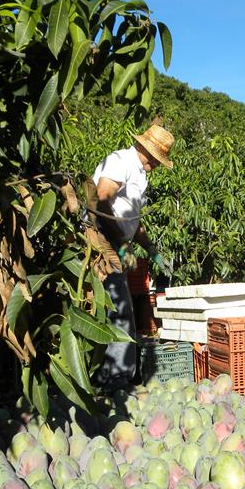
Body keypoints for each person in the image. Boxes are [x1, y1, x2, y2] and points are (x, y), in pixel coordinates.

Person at [91, 121, 175, 391]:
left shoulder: (140, 175)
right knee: (120, 308)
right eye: (157, 159)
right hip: (101, 238)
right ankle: (116, 378)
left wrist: (151, 248)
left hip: (117, 242)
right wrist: (119, 243)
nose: (158, 164)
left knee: (116, 306)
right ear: (146, 150)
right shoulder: (121, 161)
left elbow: (134, 220)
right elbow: (101, 199)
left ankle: (109, 375)